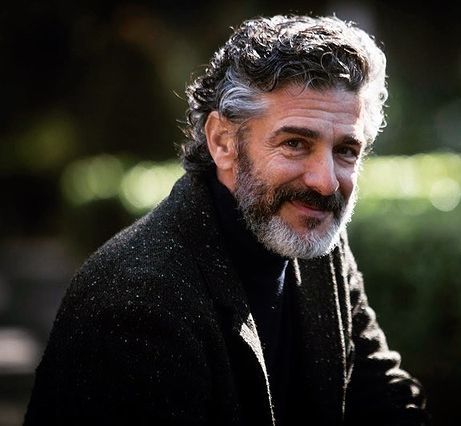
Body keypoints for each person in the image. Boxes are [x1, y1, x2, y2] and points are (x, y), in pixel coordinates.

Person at [24, 14, 428, 425]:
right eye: (295, 143)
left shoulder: (317, 242)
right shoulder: (138, 301)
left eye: (345, 151)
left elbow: (384, 399)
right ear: (222, 141)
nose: (325, 183)